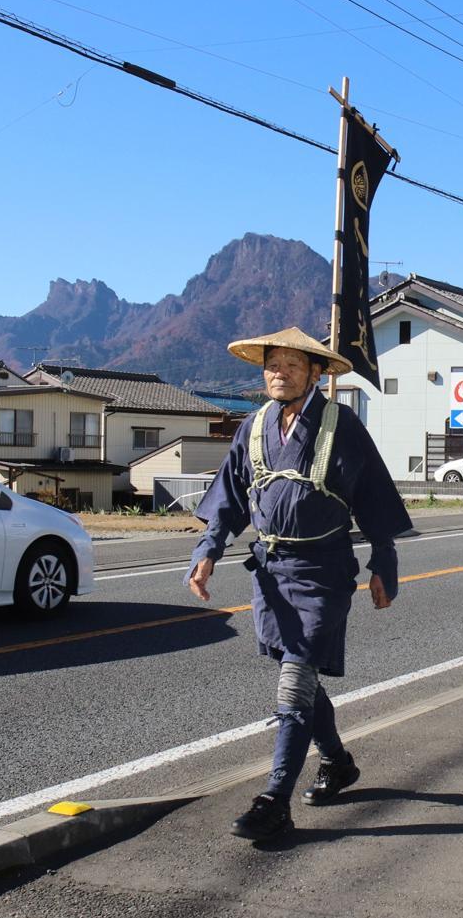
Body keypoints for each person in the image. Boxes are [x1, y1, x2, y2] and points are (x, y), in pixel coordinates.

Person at [186, 327, 412, 841]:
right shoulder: (255, 424)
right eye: (272, 364)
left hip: (324, 572)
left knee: (294, 679)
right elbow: (230, 495)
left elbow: (373, 492)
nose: (279, 372)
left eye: (291, 364)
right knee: (302, 677)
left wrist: (384, 560)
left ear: (314, 372)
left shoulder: (341, 424)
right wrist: (207, 552)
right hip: (269, 572)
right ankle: (337, 761)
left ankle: (274, 800)